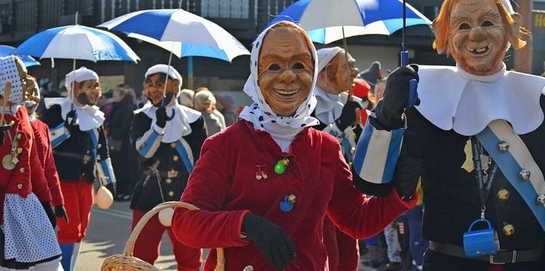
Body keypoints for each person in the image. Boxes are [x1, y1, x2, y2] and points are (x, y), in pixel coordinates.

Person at [353, 0, 545, 270]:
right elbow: (372, 183)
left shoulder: (538, 95)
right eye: (463, 25)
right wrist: (386, 116)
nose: (476, 34)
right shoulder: (425, 94)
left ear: (510, 28)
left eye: (488, 22)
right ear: (443, 33)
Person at [172, 21, 416, 271]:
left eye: (299, 65)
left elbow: (356, 220)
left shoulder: (326, 147)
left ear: (313, 73)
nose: (287, 76)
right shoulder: (226, 145)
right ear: (256, 73)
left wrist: (402, 193)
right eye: (274, 66)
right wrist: (246, 225)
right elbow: (186, 223)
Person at [129, 64, 206, 271]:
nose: (154, 90)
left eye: (160, 84)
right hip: (149, 194)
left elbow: (202, 160)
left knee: (189, 258)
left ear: (176, 86)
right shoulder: (142, 116)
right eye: (150, 84)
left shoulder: (194, 119)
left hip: (184, 196)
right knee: (139, 259)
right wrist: (158, 127)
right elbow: (142, 153)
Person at [41, 67, 116, 271]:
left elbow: (102, 152)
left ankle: (69, 266)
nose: (95, 91)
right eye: (89, 86)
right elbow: (43, 143)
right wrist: (65, 128)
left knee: (80, 230)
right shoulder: (57, 110)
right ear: (74, 87)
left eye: (96, 86)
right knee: (68, 228)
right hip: (62, 179)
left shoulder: (95, 116)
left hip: (86, 181)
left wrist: (109, 181)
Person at [0, 56, 62, 271]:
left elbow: (33, 163)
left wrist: (46, 202)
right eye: (21, 76)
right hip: (2, 208)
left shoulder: (21, 112)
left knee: (49, 263)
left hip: (25, 204)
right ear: (6, 80)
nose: (25, 81)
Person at [314, 46, 363, 271]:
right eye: (347, 66)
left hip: (346, 191)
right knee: (328, 257)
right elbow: (310, 146)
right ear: (324, 73)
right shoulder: (309, 105)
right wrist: (340, 126)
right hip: (319, 195)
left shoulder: (346, 103)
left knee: (348, 258)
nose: (354, 71)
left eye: (353, 65)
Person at [24, 75, 67, 227]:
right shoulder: (10, 125)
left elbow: (49, 167)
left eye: (34, 92)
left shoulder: (43, 127)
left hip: (41, 196)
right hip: (18, 196)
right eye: (25, 92)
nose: (31, 97)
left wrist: (58, 201)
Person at [107, 85, 136, 201]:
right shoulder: (118, 107)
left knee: (124, 168)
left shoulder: (126, 108)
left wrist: (116, 135)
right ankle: (119, 191)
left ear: (121, 96)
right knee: (117, 167)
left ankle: (126, 191)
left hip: (123, 144)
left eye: (115, 95)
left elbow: (126, 126)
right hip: (116, 141)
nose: (113, 98)